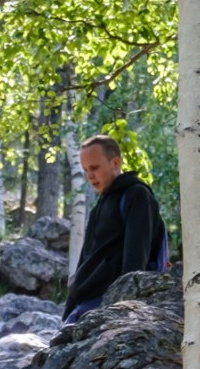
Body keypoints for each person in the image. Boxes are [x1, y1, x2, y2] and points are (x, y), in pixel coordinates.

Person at [62, 133, 169, 318]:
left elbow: (135, 260)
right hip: (85, 305)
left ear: (115, 163)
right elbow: (85, 261)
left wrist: (122, 310)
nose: (90, 176)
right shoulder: (99, 207)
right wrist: (68, 310)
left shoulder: (137, 196)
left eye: (94, 167)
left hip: (108, 305)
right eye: (86, 170)